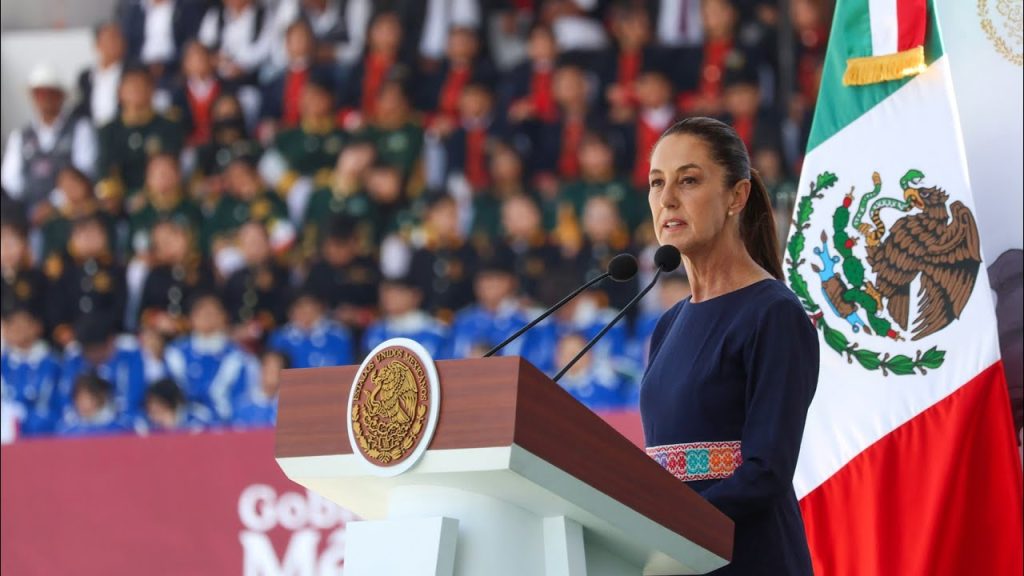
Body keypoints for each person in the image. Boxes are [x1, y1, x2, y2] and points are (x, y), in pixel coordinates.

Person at [641, 117, 818, 575]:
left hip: (750, 557)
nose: (667, 199)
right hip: (677, 552)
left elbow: (766, 471)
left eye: (689, 180)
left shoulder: (773, 313)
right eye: (657, 183)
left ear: (736, 196)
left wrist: (681, 531)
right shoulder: (667, 326)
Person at [1, 64, 97, 221]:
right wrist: (30, 206)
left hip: (69, 212)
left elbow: (85, 170)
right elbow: (10, 180)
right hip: (28, 213)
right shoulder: (19, 136)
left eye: (51, 93)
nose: (45, 99)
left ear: (61, 96)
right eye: (39, 94)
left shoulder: (80, 129)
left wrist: (54, 203)